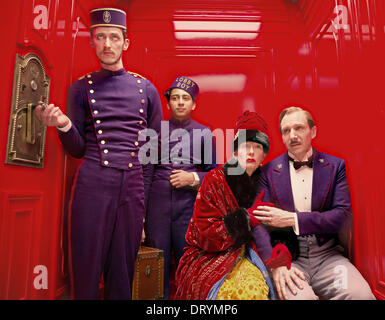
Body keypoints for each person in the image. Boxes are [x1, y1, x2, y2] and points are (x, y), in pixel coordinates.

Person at [34, 7, 163, 299]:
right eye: (100, 36)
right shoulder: (80, 89)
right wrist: (63, 124)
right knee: (85, 269)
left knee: (122, 272)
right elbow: (77, 150)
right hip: (91, 183)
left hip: (132, 189)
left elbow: (150, 154)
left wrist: (142, 207)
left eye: (114, 37)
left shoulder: (148, 90)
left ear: (125, 42)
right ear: (92, 41)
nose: (107, 44)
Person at [253, 106, 375, 300]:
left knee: (361, 295)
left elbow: (343, 217)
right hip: (290, 260)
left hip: (329, 259)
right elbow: (258, 223)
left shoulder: (335, 166)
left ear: (313, 131)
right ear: (282, 137)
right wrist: (275, 265)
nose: (292, 135)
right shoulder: (267, 171)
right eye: (286, 131)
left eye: (299, 128)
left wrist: (293, 219)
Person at [175, 111, 292, 300]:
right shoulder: (215, 180)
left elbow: (283, 226)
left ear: (265, 153)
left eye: (258, 146)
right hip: (211, 255)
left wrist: (283, 247)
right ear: (236, 150)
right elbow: (205, 234)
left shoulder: (272, 181)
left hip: (254, 253)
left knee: (254, 289)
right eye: (246, 145)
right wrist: (244, 219)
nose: (252, 152)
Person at [145, 76, 217, 298]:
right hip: (156, 208)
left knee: (188, 264)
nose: (180, 102)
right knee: (157, 264)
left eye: (185, 98)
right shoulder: (154, 131)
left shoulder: (205, 133)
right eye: (175, 98)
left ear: (193, 104)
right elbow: (144, 174)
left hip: (189, 210)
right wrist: (141, 217)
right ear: (168, 104)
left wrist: (193, 178)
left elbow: (215, 176)